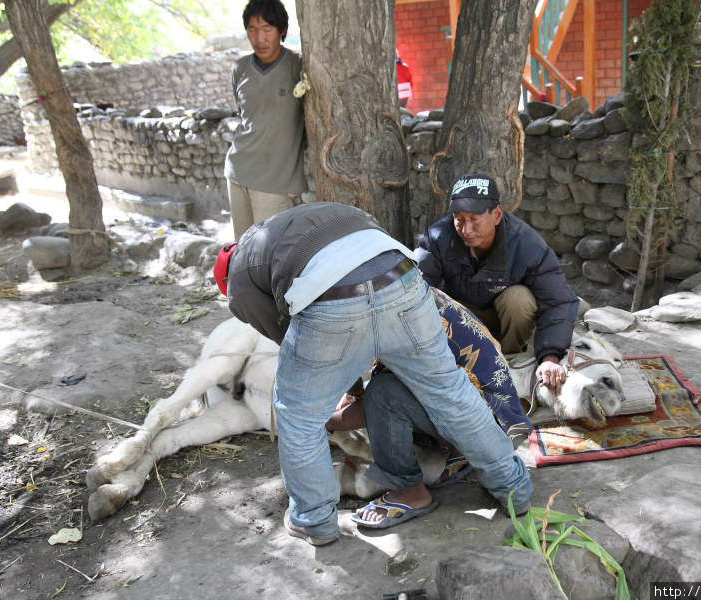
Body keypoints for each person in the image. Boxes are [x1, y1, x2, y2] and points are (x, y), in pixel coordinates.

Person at [214, 202, 532, 546]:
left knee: (299, 415)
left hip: (330, 300)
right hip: (402, 279)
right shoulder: (305, 218)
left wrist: (337, 389)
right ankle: (513, 486)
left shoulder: (240, 278)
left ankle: (314, 520)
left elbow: (287, 333)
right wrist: (352, 386)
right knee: (447, 390)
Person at [324, 287, 533, 529]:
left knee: (383, 394)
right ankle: (463, 456)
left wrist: (327, 422)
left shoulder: (397, 328)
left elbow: (383, 400)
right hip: (501, 411)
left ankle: (410, 493)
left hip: (489, 425)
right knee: (389, 389)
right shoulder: (407, 295)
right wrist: (354, 392)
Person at [416, 173, 579, 394]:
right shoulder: (438, 236)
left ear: (497, 214)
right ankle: (460, 361)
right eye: (460, 219)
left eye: (474, 219)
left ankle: (509, 360)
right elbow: (416, 289)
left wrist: (550, 357)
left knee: (519, 299)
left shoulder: (526, 243)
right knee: (431, 301)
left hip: (507, 321)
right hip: (462, 316)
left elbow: (558, 301)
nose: (466, 229)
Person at [224, 0, 307, 240]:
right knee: (244, 250)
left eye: (267, 29)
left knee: (272, 254)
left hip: (277, 182)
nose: (259, 38)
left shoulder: (297, 66)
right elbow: (244, 115)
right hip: (238, 171)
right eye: (252, 29)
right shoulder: (240, 68)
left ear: (281, 30)